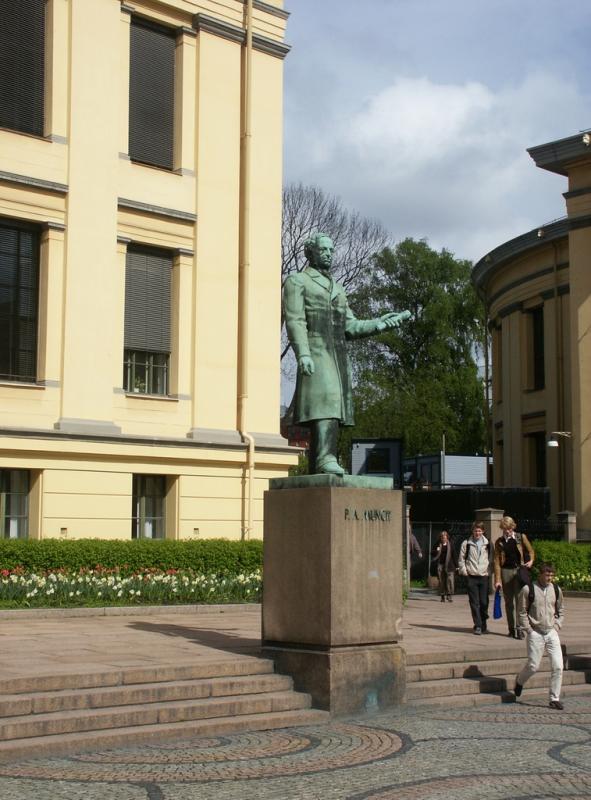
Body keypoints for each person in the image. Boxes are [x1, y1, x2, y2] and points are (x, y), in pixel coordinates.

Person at [283, 233, 410, 475]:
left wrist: (379, 323)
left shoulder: (338, 289)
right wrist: (303, 354)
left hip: (338, 357)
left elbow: (350, 326)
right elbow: (295, 320)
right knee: (327, 403)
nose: (329, 254)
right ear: (310, 253)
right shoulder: (297, 281)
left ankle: (320, 466)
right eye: (323, 250)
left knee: (333, 408)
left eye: (331, 250)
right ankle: (324, 459)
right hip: (316, 350)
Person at [514, 562, 565, 710]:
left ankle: (554, 698)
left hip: (551, 631)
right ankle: (520, 681)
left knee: (558, 666)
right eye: (547, 575)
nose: (550, 578)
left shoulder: (556, 589)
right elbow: (521, 611)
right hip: (535, 631)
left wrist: (557, 624)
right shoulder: (528, 589)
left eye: (551, 575)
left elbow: (561, 609)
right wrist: (528, 629)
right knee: (533, 666)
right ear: (540, 574)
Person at [493, 515, 535, 639]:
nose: (507, 531)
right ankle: (511, 629)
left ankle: (519, 628)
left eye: (509, 528)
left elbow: (531, 551)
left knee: (519, 601)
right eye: (505, 529)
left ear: (513, 527)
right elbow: (496, 561)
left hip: (518, 572)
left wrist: (531, 561)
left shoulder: (520, 537)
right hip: (506, 572)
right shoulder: (499, 542)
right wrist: (497, 580)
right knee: (508, 602)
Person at [458, 522, 491, 634]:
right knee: (474, 602)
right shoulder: (466, 543)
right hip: (471, 576)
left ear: (483, 531)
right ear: (472, 531)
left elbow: (492, 559)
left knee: (484, 602)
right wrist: (464, 571)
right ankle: (478, 625)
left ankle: (483, 622)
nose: (477, 533)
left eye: (479, 531)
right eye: (476, 531)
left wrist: (489, 571)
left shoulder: (487, 544)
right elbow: (461, 559)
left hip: (483, 576)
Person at [432, 530, 457, 602]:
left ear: (447, 537)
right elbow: (432, 553)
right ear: (440, 538)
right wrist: (437, 550)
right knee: (442, 581)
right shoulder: (437, 544)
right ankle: (442, 595)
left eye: (445, 537)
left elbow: (454, 555)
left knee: (450, 581)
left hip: (449, 565)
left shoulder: (451, 544)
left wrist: (457, 566)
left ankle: (449, 595)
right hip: (440, 565)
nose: (443, 538)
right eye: (442, 537)